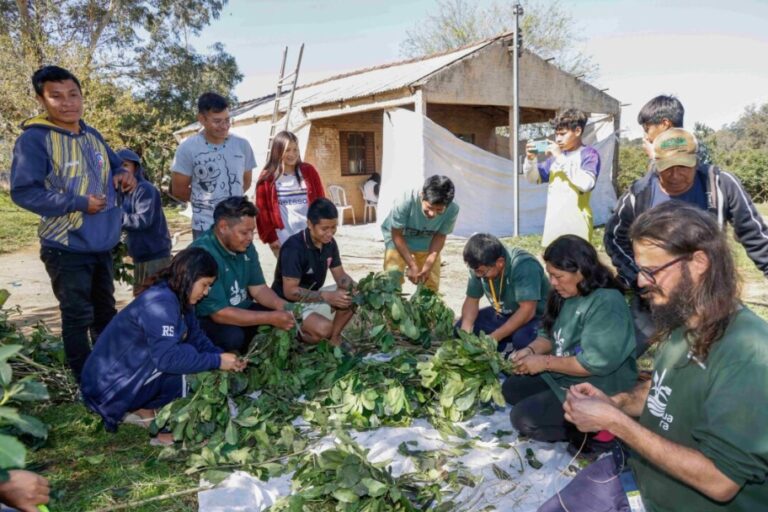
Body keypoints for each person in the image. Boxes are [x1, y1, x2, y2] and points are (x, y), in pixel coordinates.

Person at [541, 202, 768, 512]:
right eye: (639, 270)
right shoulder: (683, 320)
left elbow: (721, 481)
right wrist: (616, 402)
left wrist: (617, 423)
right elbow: (662, 389)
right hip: (640, 479)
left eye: (651, 271)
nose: (640, 281)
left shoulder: (749, 355)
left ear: (698, 262)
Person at [10, 65, 136, 381]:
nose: (68, 103)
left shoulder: (91, 134)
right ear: (41, 100)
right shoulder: (35, 140)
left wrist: (123, 174)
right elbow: (24, 192)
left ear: (81, 96)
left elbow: (116, 163)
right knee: (78, 316)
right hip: (66, 246)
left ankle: (111, 372)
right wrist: (78, 203)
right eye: (56, 96)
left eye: (73, 94)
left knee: (105, 311)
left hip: (102, 244)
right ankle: (86, 380)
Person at [604, 128, 768, 354]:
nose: (675, 175)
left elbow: (756, 236)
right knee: (626, 351)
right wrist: (638, 275)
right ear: (655, 162)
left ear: (696, 160)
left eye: (683, 165)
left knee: (723, 354)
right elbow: (614, 238)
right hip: (657, 294)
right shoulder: (639, 194)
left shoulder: (719, 185)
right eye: (667, 168)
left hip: (709, 293)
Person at [80, 248, 246, 446]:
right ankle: (166, 432)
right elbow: (168, 360)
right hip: (106, 388)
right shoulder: (161, 303)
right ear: (188, 277)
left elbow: (197, 338)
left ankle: (143, 409)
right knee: (184, 360)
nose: (206, 292)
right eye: (205, 285)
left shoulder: (179, 297)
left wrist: (223, 357)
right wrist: (216, 361)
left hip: (117, 377)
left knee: (189, 352)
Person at [503, 235, 636, 450]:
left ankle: (602, 428)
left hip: (598, 385)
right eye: (550, 275)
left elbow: (592, 364)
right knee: (510, 389)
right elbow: (547, 336)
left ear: (581, 271)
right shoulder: (563, 294)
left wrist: (544, 362)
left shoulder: (606, 302)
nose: (553, 282)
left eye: (558, 276)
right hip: (564, 375)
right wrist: (530, 351)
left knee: (523, 419)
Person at [191, 196, 295, 353]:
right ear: (223, 226)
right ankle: (223, 358)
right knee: (233, 336)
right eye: (244, 232)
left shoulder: (245, 246)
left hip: (241, 309)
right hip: (211, 317)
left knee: (280, 319)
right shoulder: (203, 253)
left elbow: (258, 289)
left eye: (252, 231)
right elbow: (220, 314)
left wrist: (284, 307)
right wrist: (271, 318)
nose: (250, 238)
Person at [171, 92, 256, 238]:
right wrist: (207, 202)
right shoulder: (187, 148)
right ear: (201, 119)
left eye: (227, 120)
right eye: (217, 121)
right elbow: (178, 190)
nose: (224, 126)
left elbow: (246, 182)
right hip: (205, 228)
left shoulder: (242, 145)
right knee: (206, 261)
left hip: (238, 225)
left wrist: (228, 203)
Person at [272, 198, 356, 346]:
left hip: (314, 296)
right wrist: (326, 297)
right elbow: (290, 292)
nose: (330, 233)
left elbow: (341, 277)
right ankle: (294, 334)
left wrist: (360, 288)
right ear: (310, 224)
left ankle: (334, 339)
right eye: (325, 229)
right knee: (323, 329)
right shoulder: (294, 248)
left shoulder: (329, 243)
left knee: (352, 295)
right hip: (288, 303)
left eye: (333, 227)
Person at [457, 233, 549, 356]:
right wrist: (466, 334)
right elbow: (472, 300)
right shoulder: (479, 265)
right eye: (476, 272)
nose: (478, 276)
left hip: (537, 316)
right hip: (505, 313)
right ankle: (506, 343)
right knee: (460, 328)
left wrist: (494, 338)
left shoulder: (523, 265)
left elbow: (528, 311)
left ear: (500, 262)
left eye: (482, 273)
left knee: (522, 339)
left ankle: (508, 345)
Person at [524, 108, 600, 247]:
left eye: (563, 134)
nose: (558, 139)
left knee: (576, 267)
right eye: (556, 134)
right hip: (554, 225)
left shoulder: (589, 154)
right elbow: (533, 178)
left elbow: (587, 183)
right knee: (554, 266)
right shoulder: (555, 158)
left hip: (577, 226)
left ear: (577, 131)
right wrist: (530, 160)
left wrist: (559, 157)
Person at [381, 175, 459, 292]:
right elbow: (396, 234)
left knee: (431, 284)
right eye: (429, 207)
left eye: (439, 210)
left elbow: (441, 236)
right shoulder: (405, 201)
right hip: (398, 239)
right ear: (422, 195)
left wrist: (428, 265)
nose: (432, 214)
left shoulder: (453, 209)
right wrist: (412, 265)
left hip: (428, 241)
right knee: (391, 279)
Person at [255, 130, 325, 256]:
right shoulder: (267, 177)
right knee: (290, 275)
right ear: (278, 151)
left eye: (295, 149)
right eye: (287, 150)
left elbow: (321, 202)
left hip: (310, 236)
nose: (292, 154)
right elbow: (262, 211)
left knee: (313, 275)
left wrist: (321, 229)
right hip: (283, 239)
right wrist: (271, 238)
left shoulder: (309, 171)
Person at [117, 148, 172, 295]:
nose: (121, 170)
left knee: (157, 300)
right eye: (118, 166)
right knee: (142, 301)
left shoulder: (145, 189)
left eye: (125, 165)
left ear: (136, 167)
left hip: (155, 255)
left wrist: (113, 218)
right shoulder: (121, 192)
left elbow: (142, 220)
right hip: (139, 257)